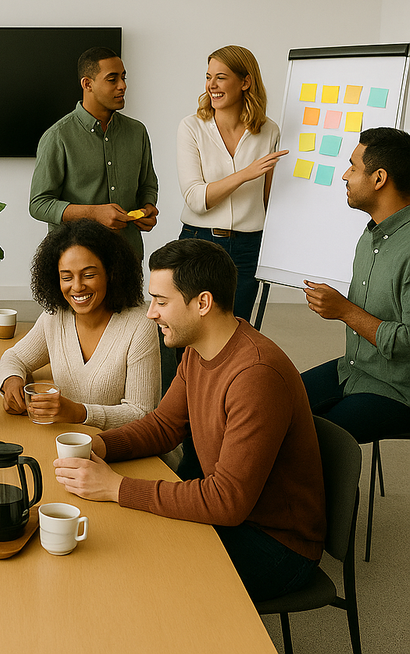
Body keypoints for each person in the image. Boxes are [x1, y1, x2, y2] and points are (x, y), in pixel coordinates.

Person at [54, 238, 325, 602]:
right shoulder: (198, 350)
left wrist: (115, 487)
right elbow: (163, 426)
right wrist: (99, 445)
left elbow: (226, 501)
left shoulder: (256, 376)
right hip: (234, 516)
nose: (151, 313)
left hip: (275, 544)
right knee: (117, 540)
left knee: (129, 569)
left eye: (161, 301)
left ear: (202, 303)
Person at [0, 219, 159, 430]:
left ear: (111, 273)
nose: (77, 287)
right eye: (66, 277)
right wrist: (11, 381)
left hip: (118, 446)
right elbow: (14, 358)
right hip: (65, 440)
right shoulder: (56, 317)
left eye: (88, 275)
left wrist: (79, 413)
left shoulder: (140, 325)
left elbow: (141, 413)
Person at [302, 127, 410, 443]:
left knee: (311, 443)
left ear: (379, 178)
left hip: (398, 390)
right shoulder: (370, 235)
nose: (345, 176)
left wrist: (345, 311)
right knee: (269, 401)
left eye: (353, 167)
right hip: (354, 368)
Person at [177, 45, 288, 322]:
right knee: (191, 326)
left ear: (245, 82)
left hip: (248, 246)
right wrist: (245, 174)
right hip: (199, 240)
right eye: (208, 77)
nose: (211, 85)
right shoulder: (191, 127)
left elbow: (268, 201)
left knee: (236, 327)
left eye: (221, 77)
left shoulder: (269, 131)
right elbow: (196, 199)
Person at [29, 46, 159, 261]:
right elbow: (39, 204)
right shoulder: (58, 136)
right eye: (112, 79)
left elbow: (147, 185)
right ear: (87, 84)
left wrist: (148, 208)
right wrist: (93, 213)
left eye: (124, 77)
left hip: (127, 257)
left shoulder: (137, 132)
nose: (123, 86)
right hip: (77, 260)